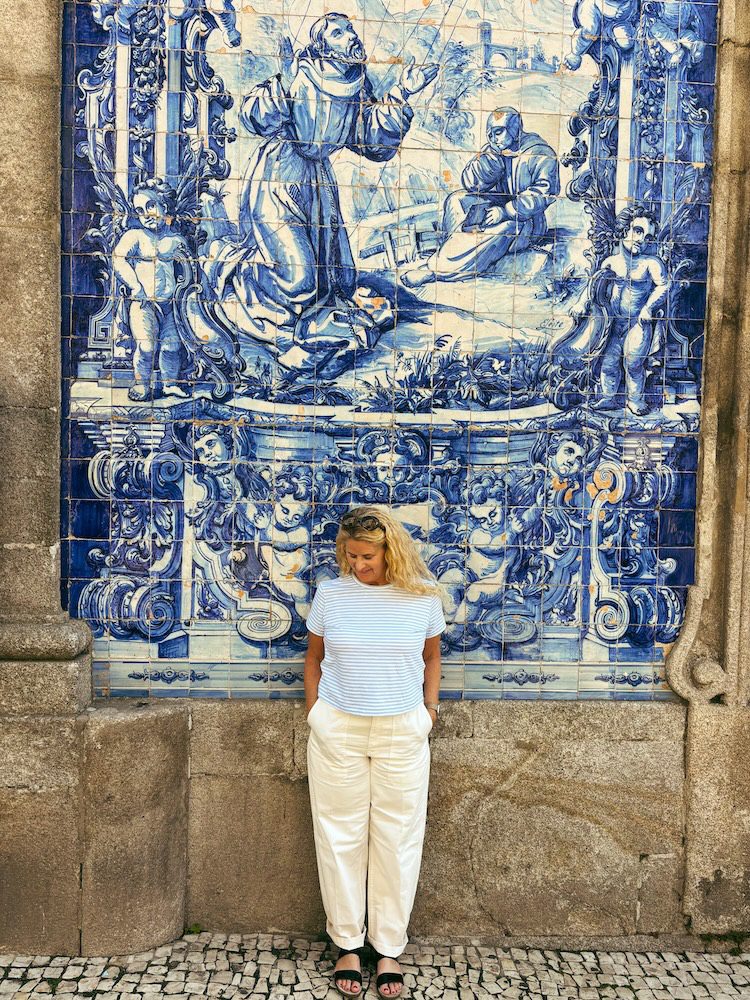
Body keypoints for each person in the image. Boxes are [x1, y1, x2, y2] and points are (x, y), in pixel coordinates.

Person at [206, 12, 438, 367]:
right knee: (299, 278)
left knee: (339, 280)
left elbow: (370, 140)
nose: (351, 37)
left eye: (350, 30)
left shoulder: (356, 82)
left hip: (318, 186)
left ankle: (304, 325)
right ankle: (234, 272)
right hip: (278, 178)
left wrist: (403, 91)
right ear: (321, 45)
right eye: (339, 33)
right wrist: (277, 97)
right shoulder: (299, 76)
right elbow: (253, 115)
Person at [304, 507, 446, 998]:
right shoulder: (331, 594)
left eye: (365, 555)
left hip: (401, 729)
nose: (356, 564)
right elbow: (314, 657)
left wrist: (428, 711)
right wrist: (315, 712)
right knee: (339, 835)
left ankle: (388, 948)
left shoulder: (422, 597)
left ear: (391, 551)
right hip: (338, 727)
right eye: (349, 554)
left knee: (397, 838)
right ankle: (346, 943)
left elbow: (431, 657)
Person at [401, 108, 560, 287]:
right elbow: (470, 183)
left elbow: (544, 193)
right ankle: (447, 254)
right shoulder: (495, 150)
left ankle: (436, 271)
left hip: (526, 221)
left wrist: (506, 211)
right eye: (490, 134)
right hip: (495, 207)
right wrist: (491, 161)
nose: (493, 138)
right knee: (456, 200)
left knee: (504, 226)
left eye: (498, 132)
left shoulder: (540, 152)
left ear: (514, 129)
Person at [551, 207, 669, 415]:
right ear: (624, 230)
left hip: (638, 323)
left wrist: (648, 308)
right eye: (638, 231)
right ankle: (607, 398)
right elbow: (594, 286)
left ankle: (635, 401)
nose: (642, 239)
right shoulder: (611, 262)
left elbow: (663, 286)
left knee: (633, 363)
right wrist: (581, 304)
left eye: (647, 236)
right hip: (612, 324)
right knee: (608, 363)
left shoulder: (651, 263)